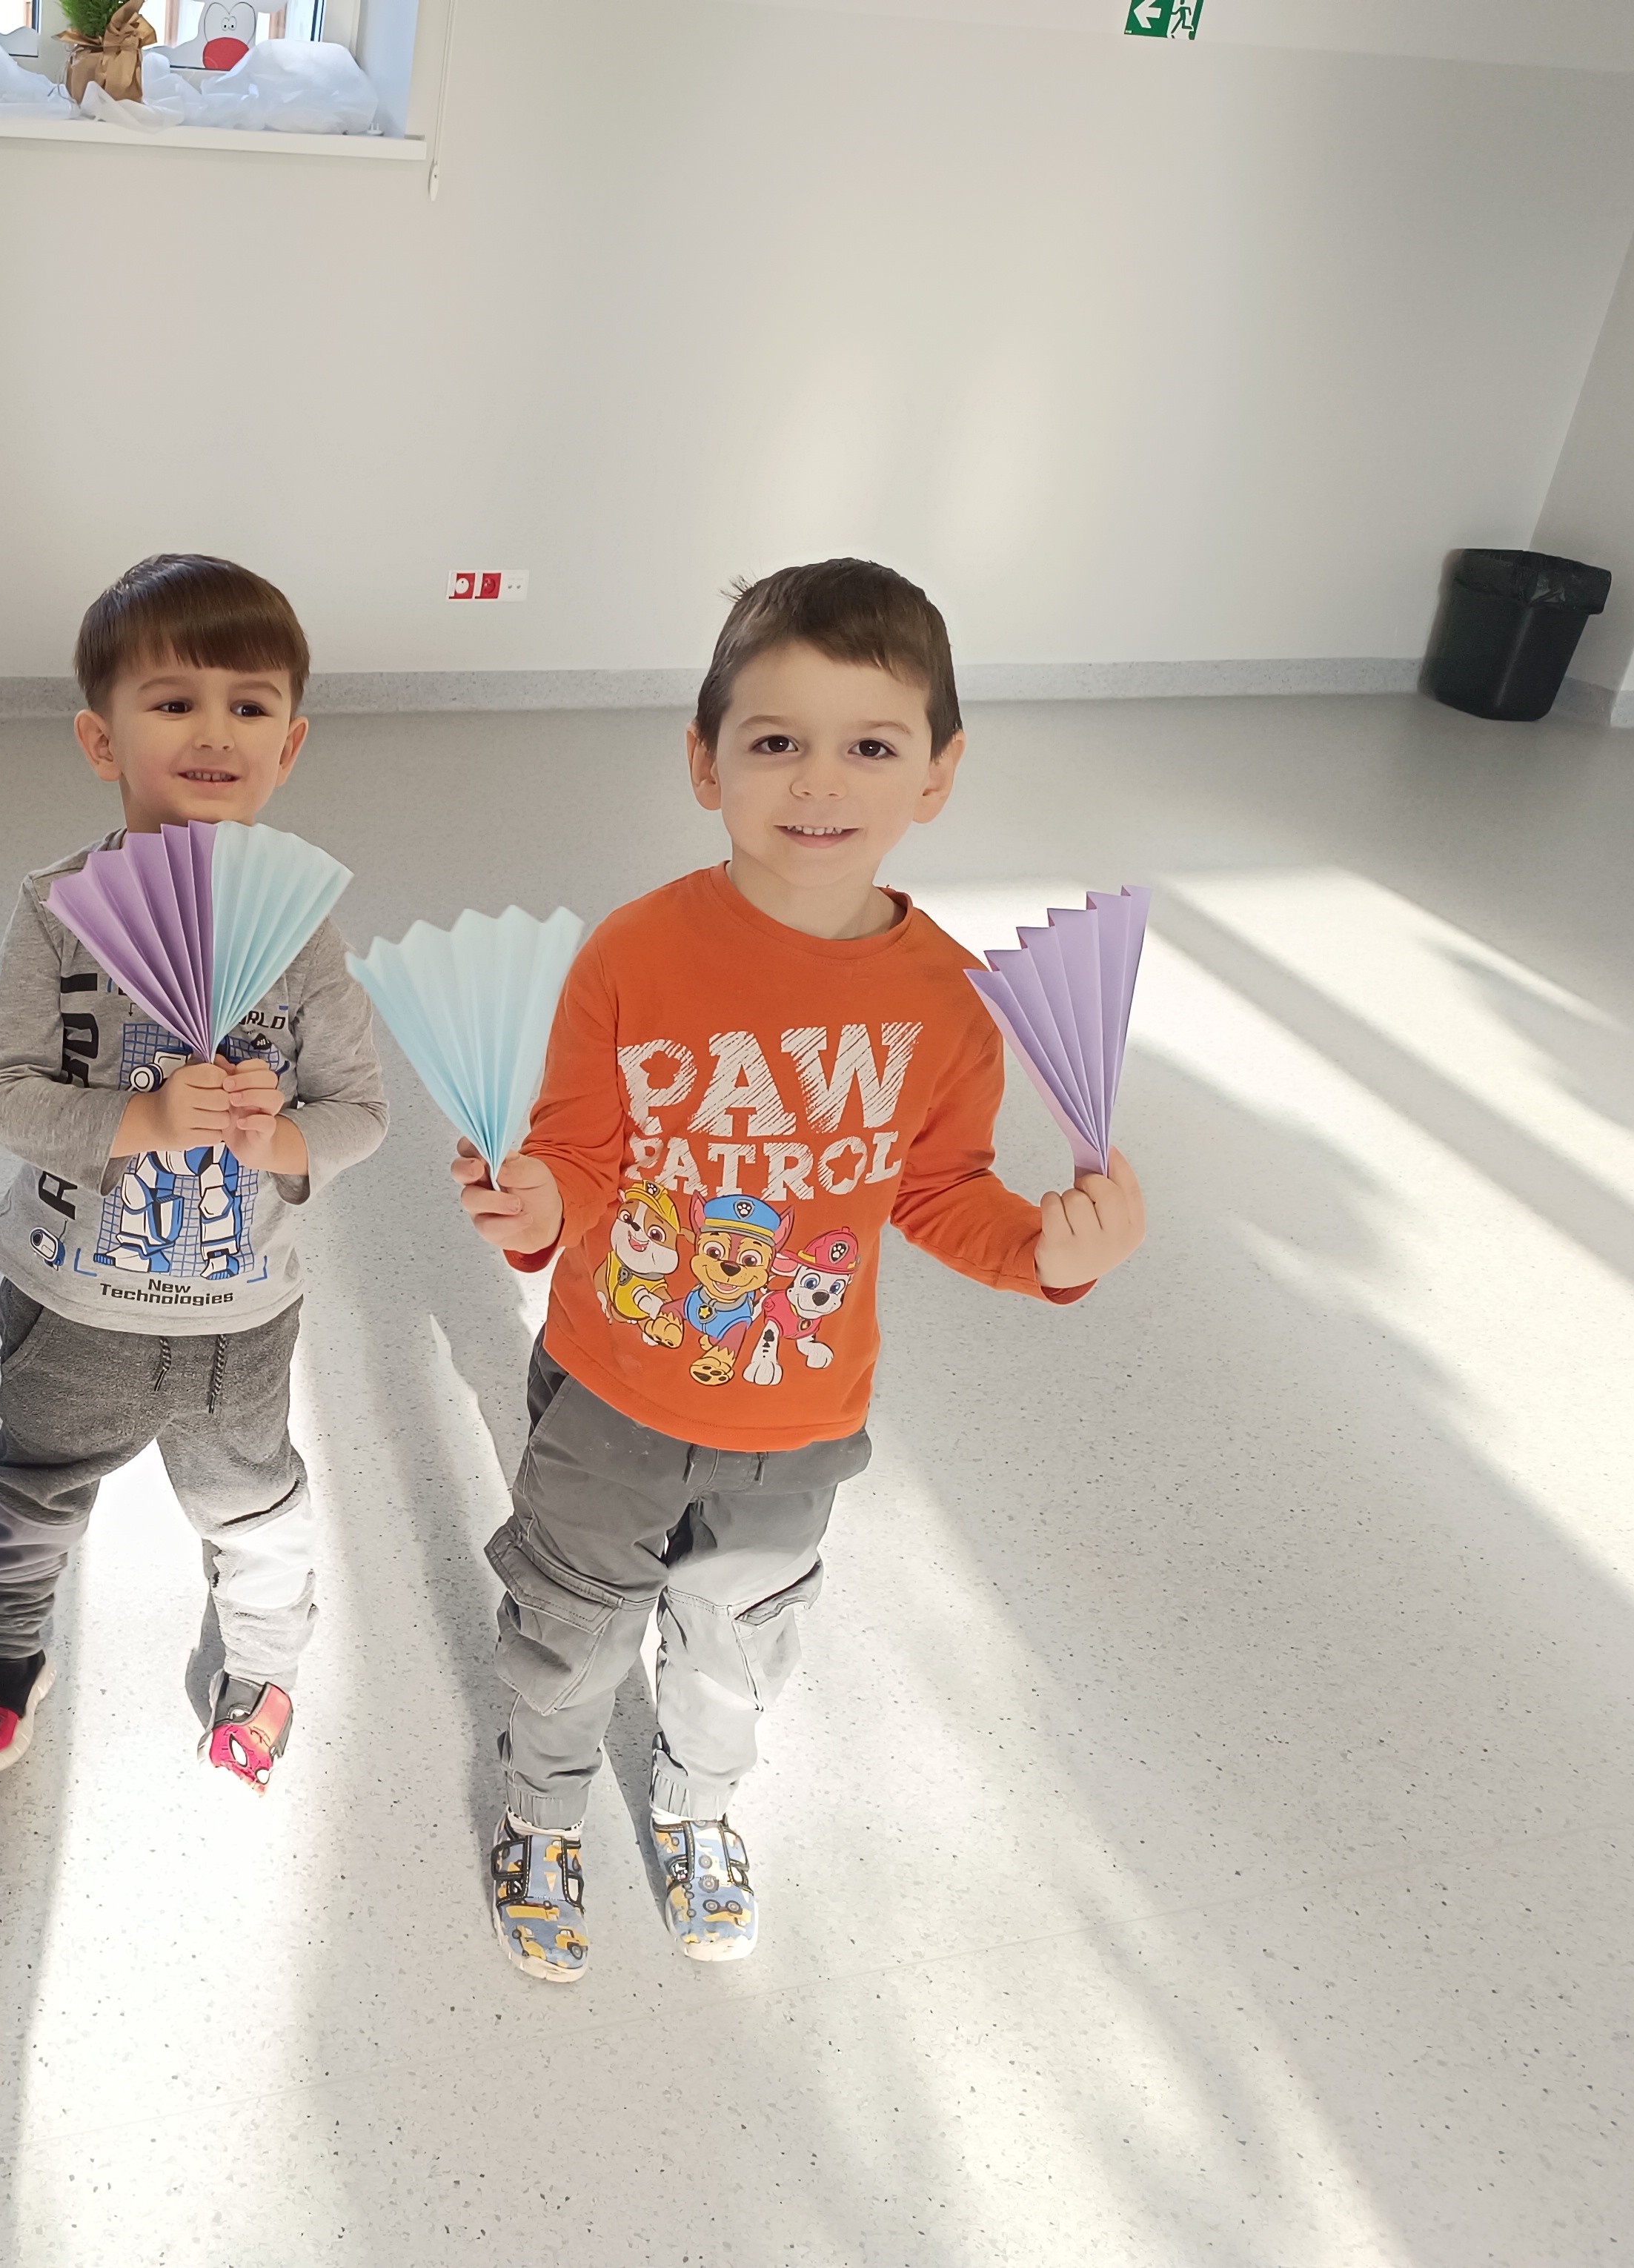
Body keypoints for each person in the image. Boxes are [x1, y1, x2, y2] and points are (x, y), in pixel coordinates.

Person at [452, 558, 1146, 1981]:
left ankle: (698, 1805)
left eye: (871, 747)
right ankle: (543, 1806)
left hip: (800, 1420)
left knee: (739, 1638)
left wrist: (1048, 1251)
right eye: (776, 741)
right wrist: (534, 1205)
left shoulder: (948, 1000)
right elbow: (578, 1153)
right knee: (571, 1627)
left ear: (938, 774)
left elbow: (939, 1190)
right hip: (613, 1392)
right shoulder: (634, 955)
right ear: (704, 763)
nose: (820, 781)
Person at [0, 554, 387, 1795]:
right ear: (103, 738)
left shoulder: (301, 928)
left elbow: (359, 1110)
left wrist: (284, 1142)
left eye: (249, 706)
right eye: (173, 701)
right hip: (72, 1305)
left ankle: (264, 1668)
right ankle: (3, 1654)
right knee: (30, 1496)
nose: (214, 731)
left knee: (255, 1508)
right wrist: (137, 1116)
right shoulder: (57, 910)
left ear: (288, 746)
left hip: (239, 1321)